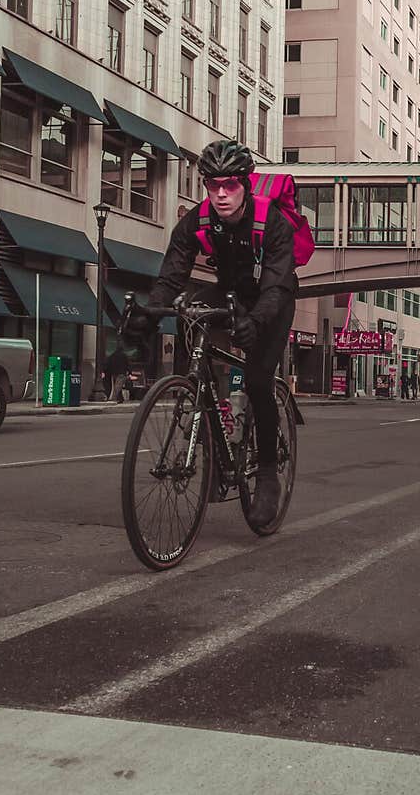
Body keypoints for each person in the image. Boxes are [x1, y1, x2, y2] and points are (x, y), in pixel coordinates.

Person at [124, 139, 297, 528]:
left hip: (273, 297)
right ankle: (197, 396)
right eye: (212, 184)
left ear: (245, 184)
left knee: (256, 380)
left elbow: (276, 286)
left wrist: (256, 322)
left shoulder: (272, 222)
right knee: (189, 312)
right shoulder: (197, 220)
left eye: (230, 184)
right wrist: (149, 315)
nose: (220, 193)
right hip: (230, 291)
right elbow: (172, 276)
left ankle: (267, 472)